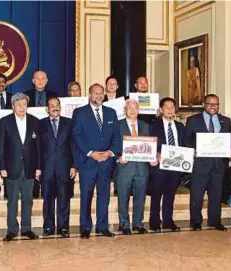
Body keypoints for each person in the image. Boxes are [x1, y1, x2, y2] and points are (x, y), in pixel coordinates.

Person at [72, 83, 121, 239]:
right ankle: (85, 227)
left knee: (104, 196)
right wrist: (90, 153)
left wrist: (110, 153)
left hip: (106, 163)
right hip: (88, 162)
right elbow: (76, 135)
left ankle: (102, 226)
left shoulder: (111, 113)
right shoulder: (79, 113)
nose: (99, 96)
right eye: (96, 93)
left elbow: (116, 136)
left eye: (101, 93)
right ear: (90, 94)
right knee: (86, 196)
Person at [184, 94, 231, 231]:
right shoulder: (193, 120)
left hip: (218, 164)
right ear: (204, 104)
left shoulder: (225, 121)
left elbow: (228, 140)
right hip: (200, 163)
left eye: (216, 104)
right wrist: (198, 148)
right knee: (197, 194)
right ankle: (196, 221)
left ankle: (215, 221)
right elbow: (187, 140)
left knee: (217, 193)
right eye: (210, 103)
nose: (213, 106)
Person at [0, 92, 42, 241]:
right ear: (12, 107)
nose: (22, 107)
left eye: (24, 104)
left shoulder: (35, 121)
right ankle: (11, 230)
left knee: (28, 200)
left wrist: (38, 167)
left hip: (30, 167)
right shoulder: (5, 121)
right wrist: (2, 166)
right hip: (11, 168)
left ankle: (26, 229)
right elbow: (1, 146)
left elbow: (38, 147)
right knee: (12, 201)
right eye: (18, 105)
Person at [116, 99, 157, 235]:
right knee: (123, 197)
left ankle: (138, 223)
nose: (132, 110)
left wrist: (153, 158)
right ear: (125, 110)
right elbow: (113, 144)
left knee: (140, 197)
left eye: (135, 107)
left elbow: (150, 146)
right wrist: (118, 157)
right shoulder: (118, 125)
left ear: (139, 110)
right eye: (129, 108)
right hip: (124, 168)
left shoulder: (145, 126)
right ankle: (124, 224)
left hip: (142, 168)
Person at [39, 97, 76, 238]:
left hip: (64, 167)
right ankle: (48, 226)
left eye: (57, 105)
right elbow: (38, 148)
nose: (55, 107)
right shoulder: (40, 124)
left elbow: (74, 145)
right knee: (47, 199)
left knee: (63, 198)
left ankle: (63, 227)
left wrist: (74, 165)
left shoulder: (69, 123)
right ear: (47, 109)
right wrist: (38, 168)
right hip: (46, 167)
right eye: (52, 105)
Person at [148, 97, 185, 232]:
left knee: (170, 195)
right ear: (161, 110)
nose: (170, 110)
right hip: (159, 167)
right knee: (156, 194)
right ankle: (155, 222)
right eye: (167, 107)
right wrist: (155, 154)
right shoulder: (153, 126)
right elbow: (149, 144)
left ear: (175, 110)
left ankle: (168, 221)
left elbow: (184, 145)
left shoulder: (180, 127)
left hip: (176, 166)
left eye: (172, 107)